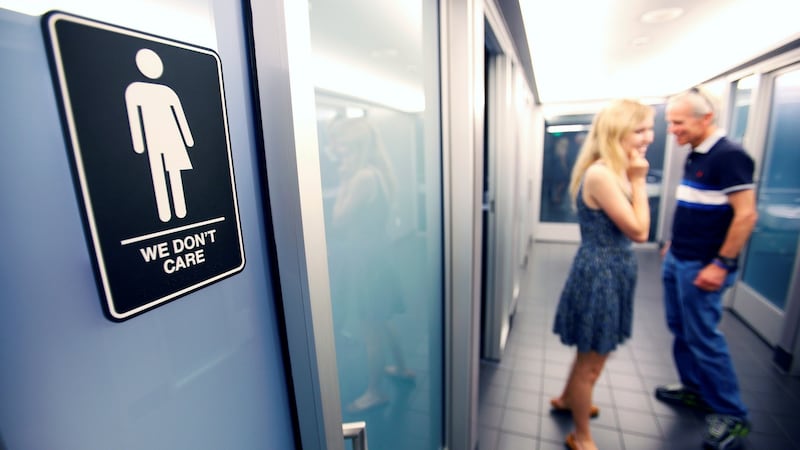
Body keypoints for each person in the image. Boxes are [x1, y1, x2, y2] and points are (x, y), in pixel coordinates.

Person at [655, 87, 758, 450]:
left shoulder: (730, 156)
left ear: (705, 118)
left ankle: (732, 416)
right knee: (680, 327)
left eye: (678, 123)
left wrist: (721, 263)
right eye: (670, 123)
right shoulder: (694, 153)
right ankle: (694, 389)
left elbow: (745, 216)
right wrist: (672, 242)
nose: (672, 130)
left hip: (704, 265)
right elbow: (695, 206)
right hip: (680, 256)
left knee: (704, 337)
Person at [551, 99, 654, 450]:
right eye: (640, 130)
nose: (648, 137)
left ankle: (568, 399)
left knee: (590, 350)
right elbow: (640, 231)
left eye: (649, 129)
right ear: (617, 131)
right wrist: (639, 181)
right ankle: (581, 436)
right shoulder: (602, 174)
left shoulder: (612, 169)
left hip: (611, 269)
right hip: (602, 274)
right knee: (591, 363)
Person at [325, 116, 414, 414]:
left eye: (346, 150)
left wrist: (343, 180)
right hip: (378, 256)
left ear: (357, 148)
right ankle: (401, 368)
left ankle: (375, 392)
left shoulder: (362, 177)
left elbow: (338, 219)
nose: (342, 156)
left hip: (367, 263)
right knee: (384, 319)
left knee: (370, 330)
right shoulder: (378, 171)